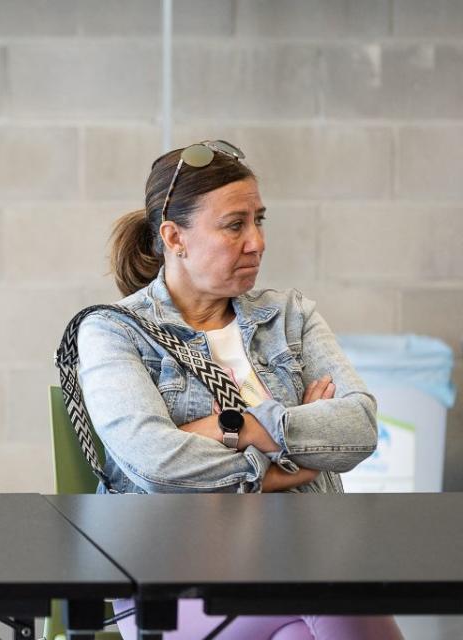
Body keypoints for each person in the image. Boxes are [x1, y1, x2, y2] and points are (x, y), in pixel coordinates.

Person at [75, 140, 403, 639]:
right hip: (175, 579)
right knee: (332, 600)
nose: (257, 242)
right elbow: (156, 462)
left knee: (313, 613)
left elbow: (358, 430)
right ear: (174, 237)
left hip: (299, 556)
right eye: (234, 225)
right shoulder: (112, 331)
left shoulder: (290, 315)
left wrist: (245, 426)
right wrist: (285, 470)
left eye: (259, 221)